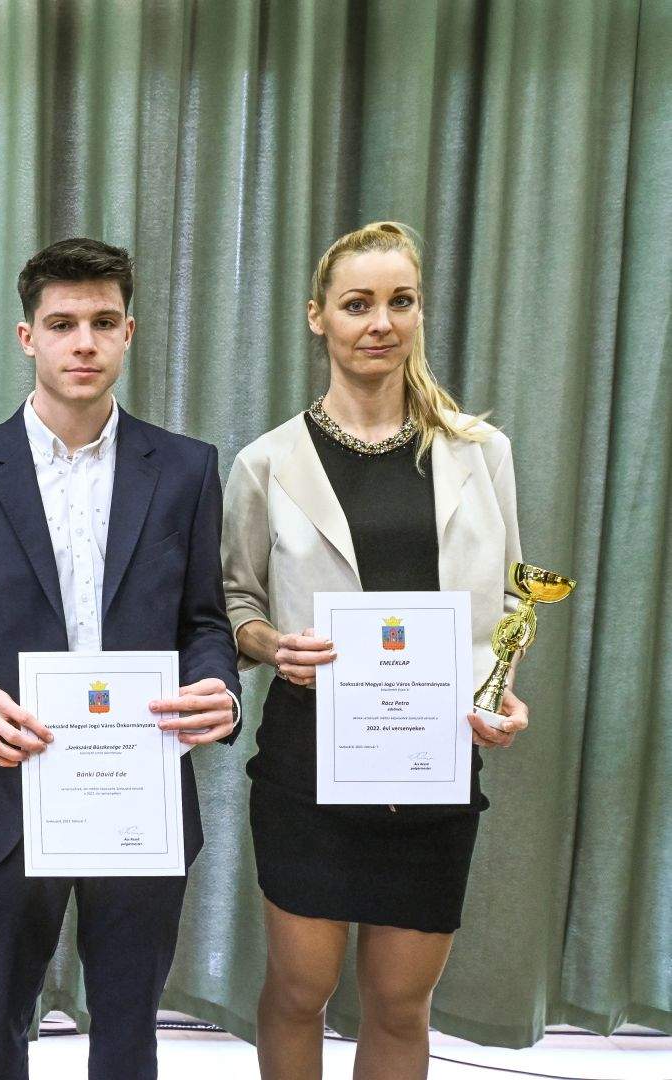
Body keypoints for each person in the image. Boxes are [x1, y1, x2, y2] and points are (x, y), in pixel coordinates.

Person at [0, 237, 242, 1080]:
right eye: (61, 324)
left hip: (140, 790)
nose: (82, 342)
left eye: (101, 321)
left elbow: (205, 622)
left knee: (128, 1027)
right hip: (10, 786)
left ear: (129, 332)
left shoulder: (186, 469)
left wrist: (218, 688)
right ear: (28, 337)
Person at [221, 221, 526, 1079]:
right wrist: (270, 645)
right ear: (317, 317)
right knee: (298, 990)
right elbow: (235, 601)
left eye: (401, 302)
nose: (380, 323)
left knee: (398, 1003)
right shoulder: (264, 463)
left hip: (433, 757)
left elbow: (510, 598)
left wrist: (497, 688)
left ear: (420, 312)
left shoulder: (479, 453)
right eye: (357, 304)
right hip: (307, 758)